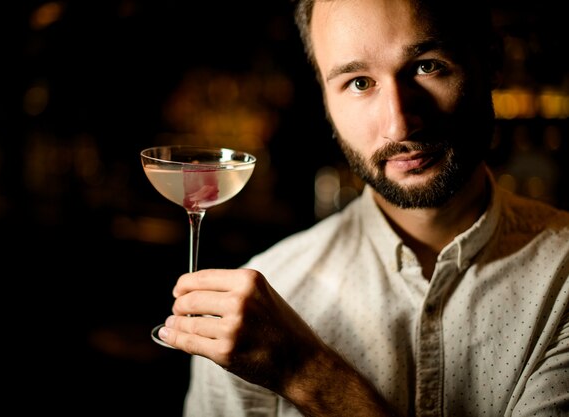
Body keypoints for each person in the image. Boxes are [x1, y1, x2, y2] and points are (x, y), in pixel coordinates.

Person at [156, 0, 569, 415]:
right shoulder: (259, 305)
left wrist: (308, 374)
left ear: (491, 62)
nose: (400, 124)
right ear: (325, 98)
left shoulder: (563, 275)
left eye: (427, 66)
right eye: (358, 82)